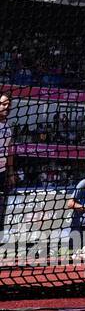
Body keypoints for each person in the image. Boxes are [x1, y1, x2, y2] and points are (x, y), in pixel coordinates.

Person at [0, 93, 14, 235]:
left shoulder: (8, 127)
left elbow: (10, 151)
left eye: (9, 105)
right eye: (4, 104)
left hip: (2, 172)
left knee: (2, 204)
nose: (7, 107)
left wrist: (10, 172)